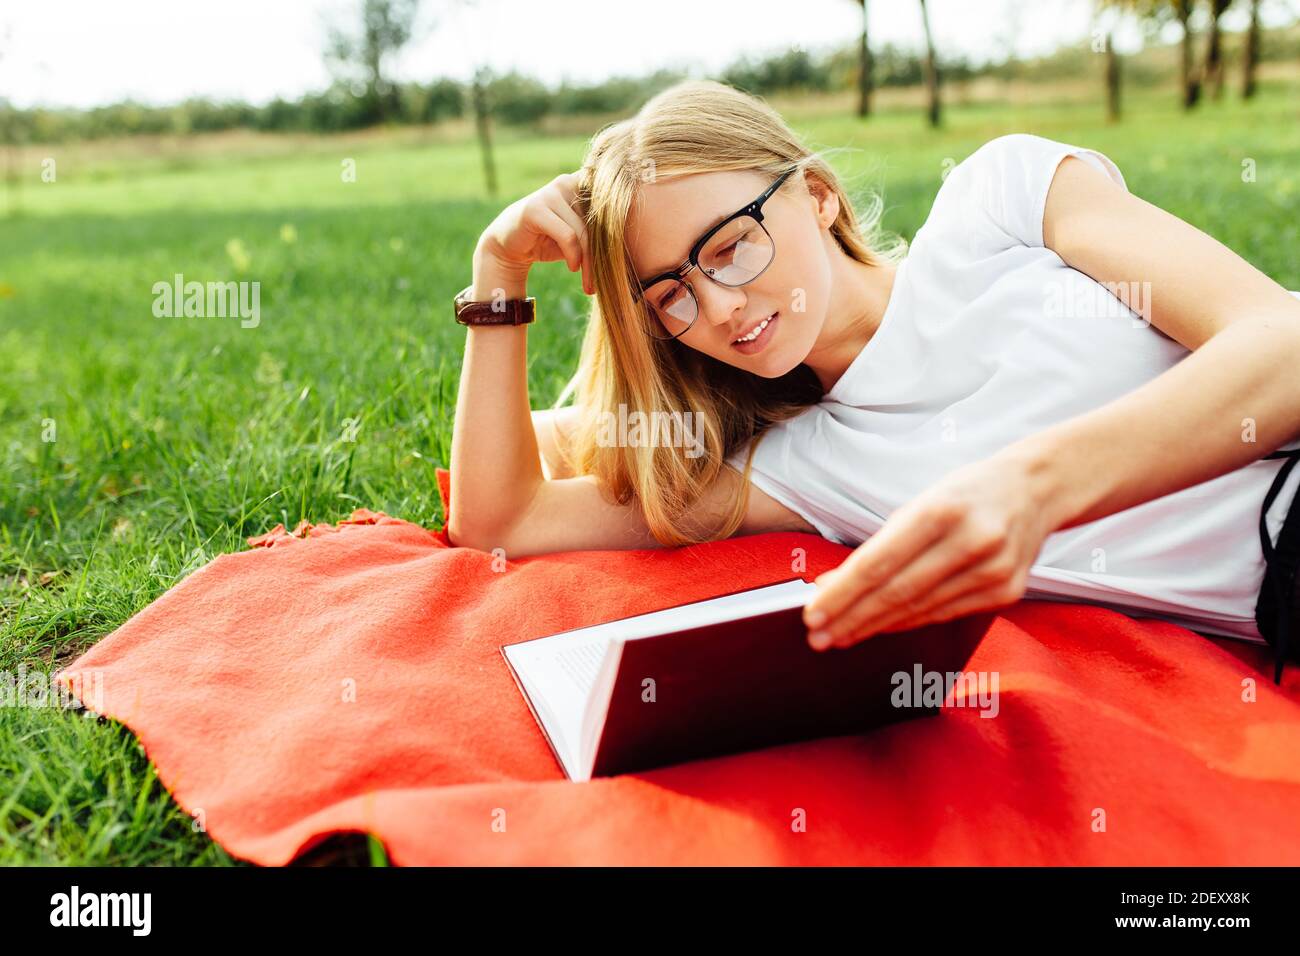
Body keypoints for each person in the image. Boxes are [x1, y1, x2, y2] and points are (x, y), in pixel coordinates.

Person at [448, 79, 1300, 681]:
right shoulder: (803, 464)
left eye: (732, 244)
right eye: (668, 292)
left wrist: (1031, 488)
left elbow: (1283, 339)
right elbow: (501, 514)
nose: (718, 306)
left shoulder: (1001, 205)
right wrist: (498, 274)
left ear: (816, 195)